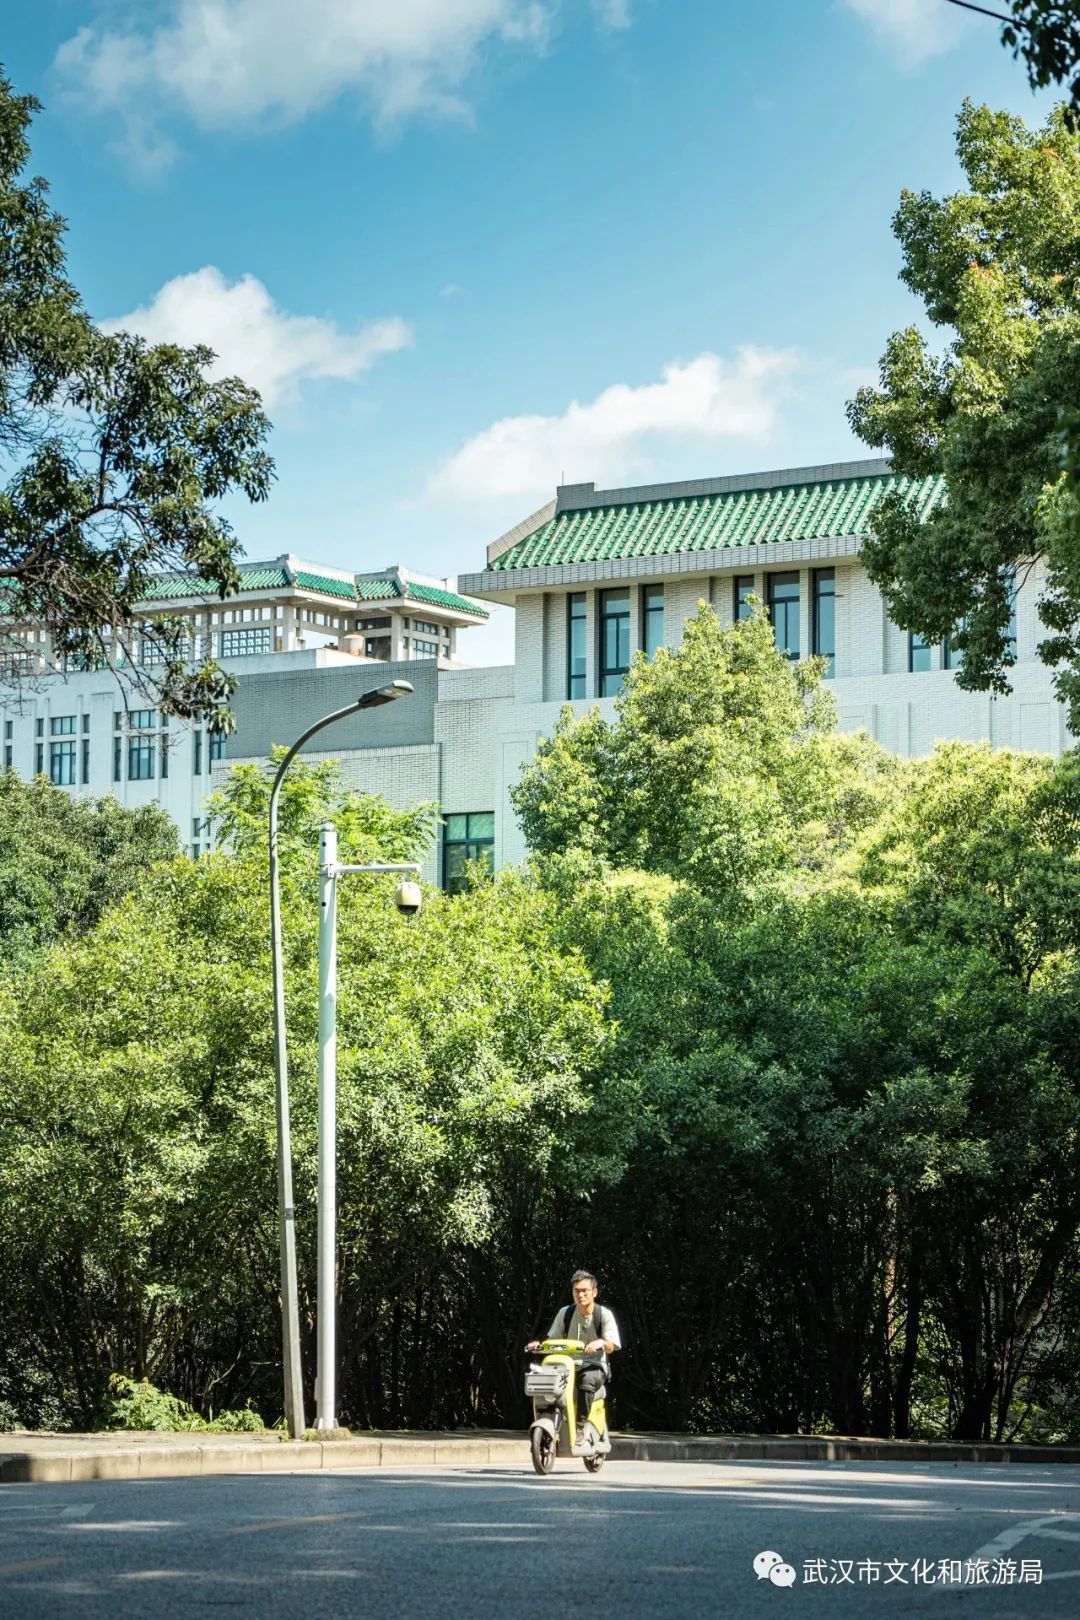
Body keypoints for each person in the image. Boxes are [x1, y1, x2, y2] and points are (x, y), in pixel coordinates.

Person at [527, 1270, 621, 1445]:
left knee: (586, 1381)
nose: (580, 1294)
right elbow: (552, 1340)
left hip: (593, 1365)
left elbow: (612, 1345)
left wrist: (601, 1342)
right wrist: (539, 1345)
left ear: (594, 1292)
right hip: (566, 1365)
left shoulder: (603, 1315)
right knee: (544, 1381)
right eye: (576, 1291)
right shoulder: (566, 1313)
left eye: (584, 1290)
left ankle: (581, 1426)